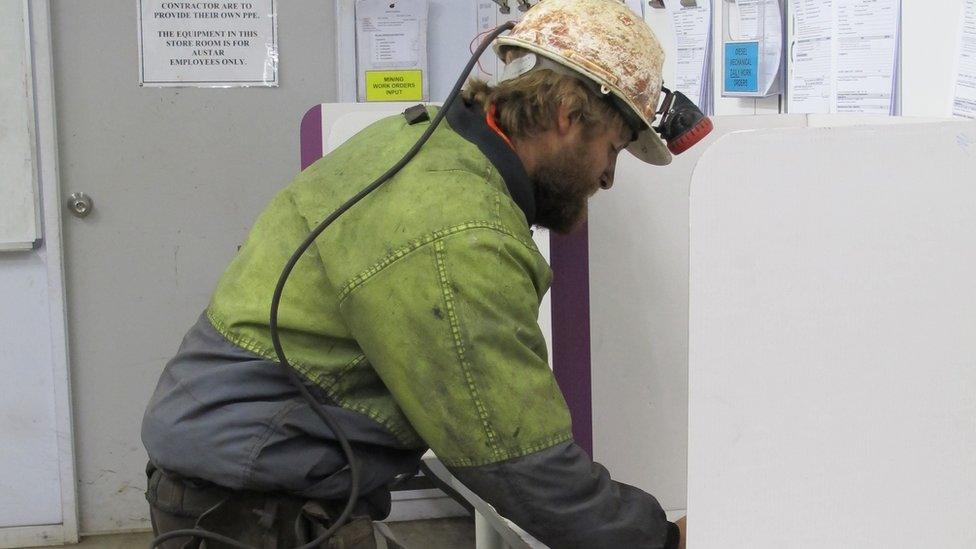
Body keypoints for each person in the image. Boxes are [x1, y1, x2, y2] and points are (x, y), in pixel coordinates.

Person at [142, 0, 688, 547]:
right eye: (612, 148)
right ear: (570, 119)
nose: (609, 176)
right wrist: (661, 538)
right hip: (253, 503)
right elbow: (518, 461)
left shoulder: (421, 142)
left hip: (232, 473)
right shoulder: (460, 232)